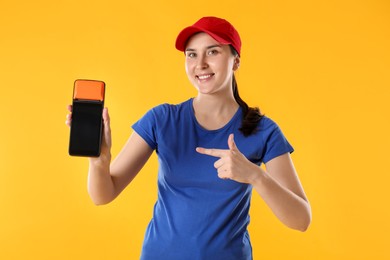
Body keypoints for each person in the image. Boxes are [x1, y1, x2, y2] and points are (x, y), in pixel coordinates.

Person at [66, 16, 311, 260]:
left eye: (212, 52)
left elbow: (301, 220)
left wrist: (256, 176)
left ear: (235, 60)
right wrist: (99, 160)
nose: (200, 64)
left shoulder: (263, 131)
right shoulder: (162, 119)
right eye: (192, 54)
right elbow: (103, 195)